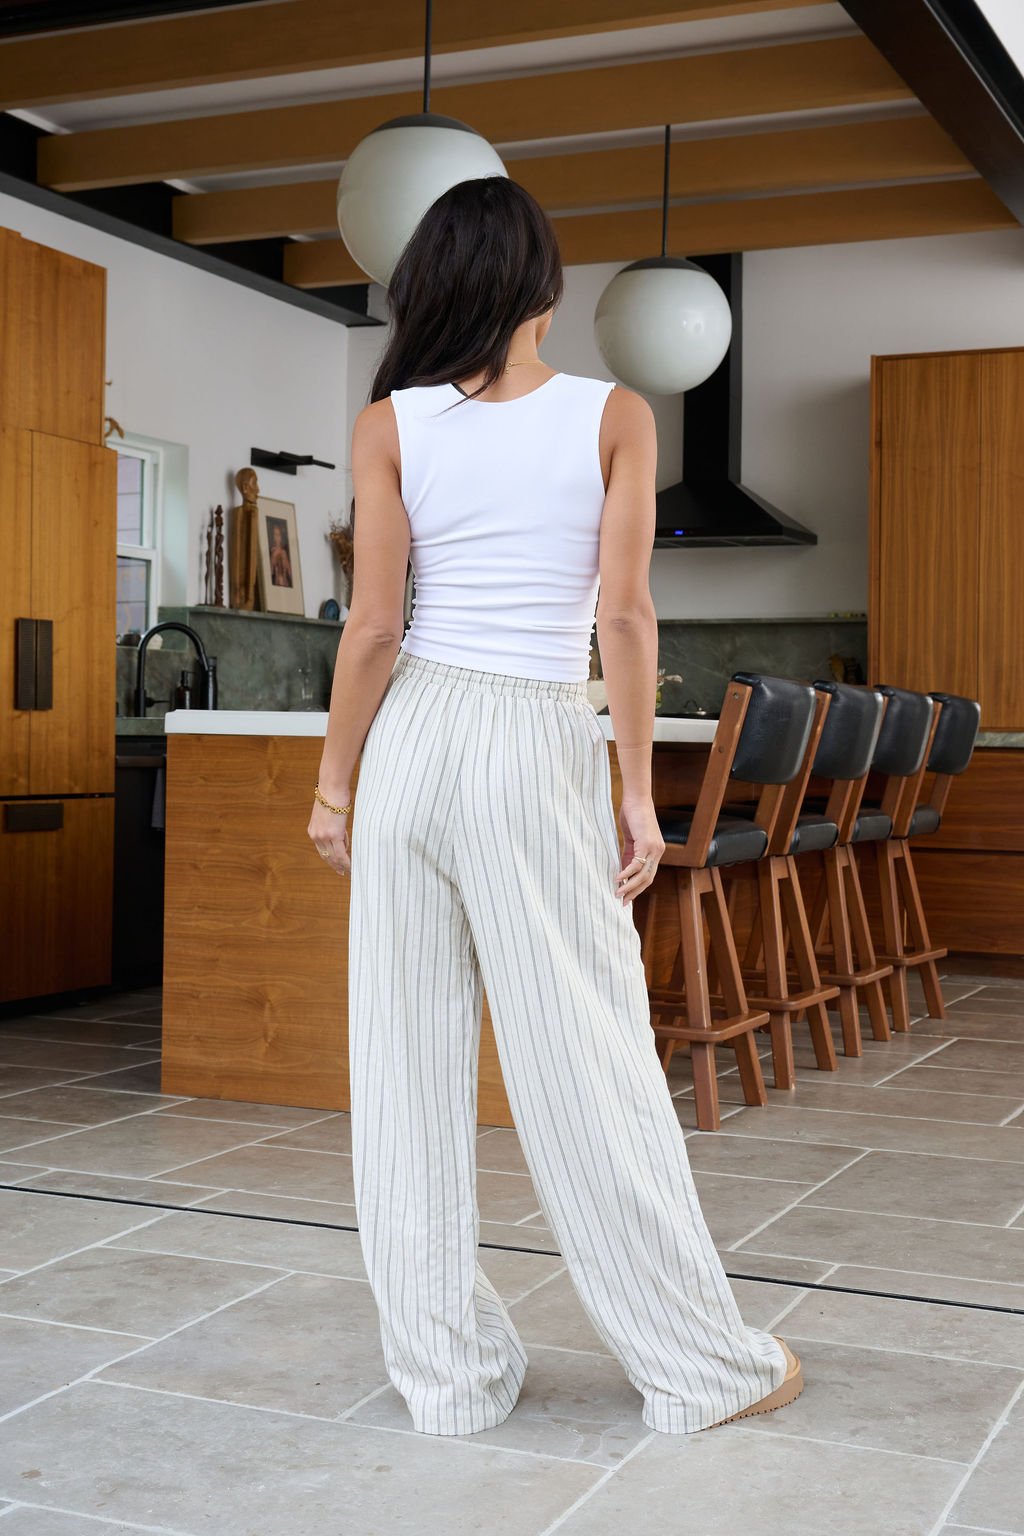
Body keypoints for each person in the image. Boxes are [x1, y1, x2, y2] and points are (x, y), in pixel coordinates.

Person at [307, 176, 803, 1438]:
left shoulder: (389, 424)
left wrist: (335, 784)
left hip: (414, 731)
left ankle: (449, 1386)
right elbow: (627, 617)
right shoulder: (613, 413)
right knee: (586, 1059)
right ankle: (697, 1369)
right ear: (544, 287)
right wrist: (634, 790)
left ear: (429, 287)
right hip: (535, 736)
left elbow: (373, 628)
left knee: (404, 1066)